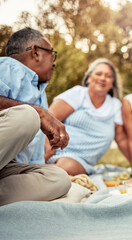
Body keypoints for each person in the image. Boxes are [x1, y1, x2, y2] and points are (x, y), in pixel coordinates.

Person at [0, 27, 71, 206]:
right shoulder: (8, 67)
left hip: (7, 168)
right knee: (28, 116)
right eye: (52, 54)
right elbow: (28, 116)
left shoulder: (40, 92)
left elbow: (33, 158)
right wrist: (38, 113)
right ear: (36, 52)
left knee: (59, 178)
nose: (54, 63)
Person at [45, 58, 129, 176]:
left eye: (108, 76)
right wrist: (47, 152)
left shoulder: (115, 105)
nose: (103, 78)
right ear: (89, 78)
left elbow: (121, 139)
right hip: (51, 149)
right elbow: (47, 121)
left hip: (80, 160)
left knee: (66, 169)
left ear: (112, 83)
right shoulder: (78, 94)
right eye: (98, 74)